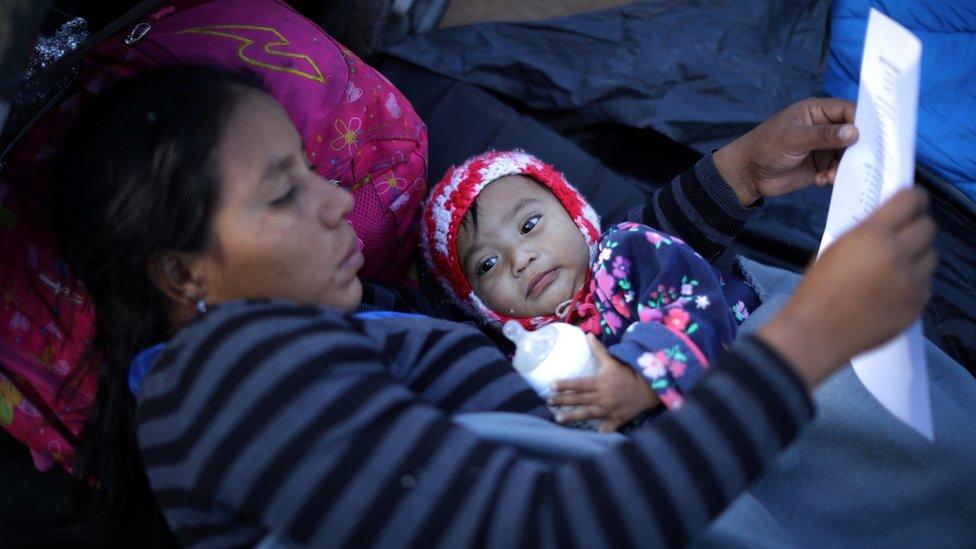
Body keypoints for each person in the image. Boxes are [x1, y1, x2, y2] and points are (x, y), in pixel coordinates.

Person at [50, 66, 937, 547]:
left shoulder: (337, 339)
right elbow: (557, 522)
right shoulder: (234, 381)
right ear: (181, 272)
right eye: (282, 194)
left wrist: (733, 177)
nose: (333, 200)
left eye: (313, 170)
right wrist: (803, 346)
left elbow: (594, 297)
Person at [420, 149, 763, 428]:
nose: (520, 259)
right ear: (477, 303)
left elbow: (693, 306)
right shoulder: (526, 368)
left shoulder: (629, 252)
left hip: (750, 375)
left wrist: (640, 380)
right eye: (487, 264)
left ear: (575, 213)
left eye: (529, 225)